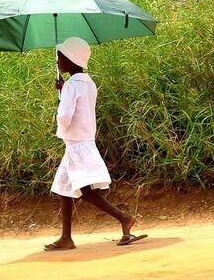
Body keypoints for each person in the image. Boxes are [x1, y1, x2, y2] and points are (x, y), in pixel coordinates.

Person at [44, 37, 147, 251]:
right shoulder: (88, 82)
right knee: (65, 188)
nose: (57, 61)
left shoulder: (72, 85)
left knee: (84, 190)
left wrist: (62, 99)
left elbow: (64, 118)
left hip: (76, 145)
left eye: (60, 56)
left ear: (71, 60)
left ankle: (124, 218)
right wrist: (64, 92)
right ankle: (66, 237)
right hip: (82, 142)